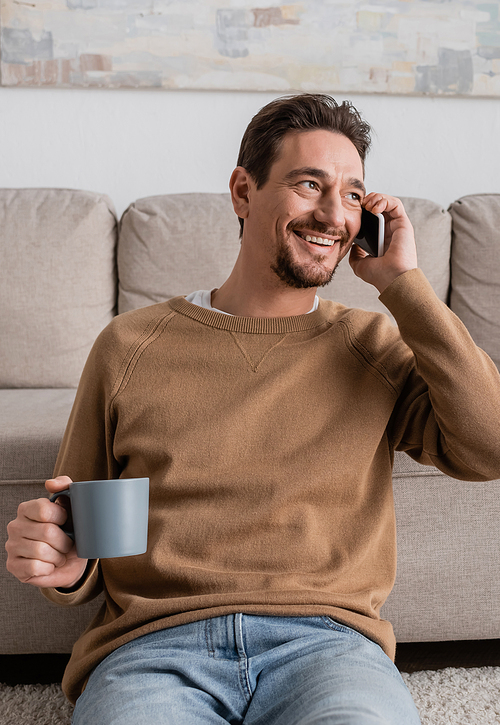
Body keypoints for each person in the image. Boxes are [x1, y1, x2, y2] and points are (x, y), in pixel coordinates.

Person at [6, 94, 500, 725]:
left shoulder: (372, 345)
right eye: (308, 184)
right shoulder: (131, 347)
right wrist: (66, 565)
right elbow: (85, 541)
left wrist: (403, 284)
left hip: (327, 647)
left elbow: (489, 447)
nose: (332, 213)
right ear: (243, 191)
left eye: (353, 194)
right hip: (153, 649)